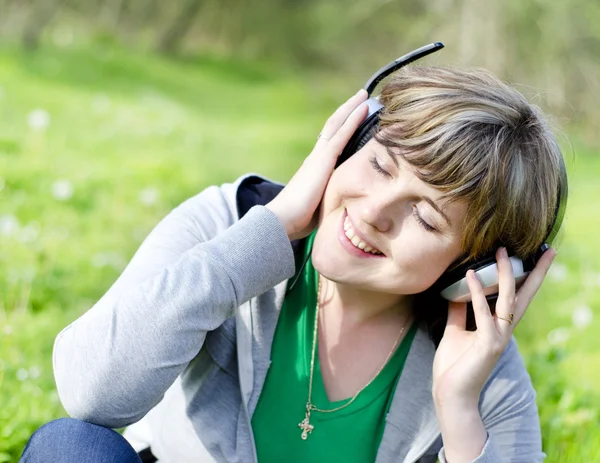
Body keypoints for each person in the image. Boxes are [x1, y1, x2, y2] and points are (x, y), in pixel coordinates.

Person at [20, 62, 565, 463]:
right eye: (378, 164)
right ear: (346, 142)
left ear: (473, 269)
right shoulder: (229, 222)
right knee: (72, 449)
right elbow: (90, 394)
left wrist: (461, 413)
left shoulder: (480, 365)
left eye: (424, 218)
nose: (373, 211)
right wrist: (266, 236)